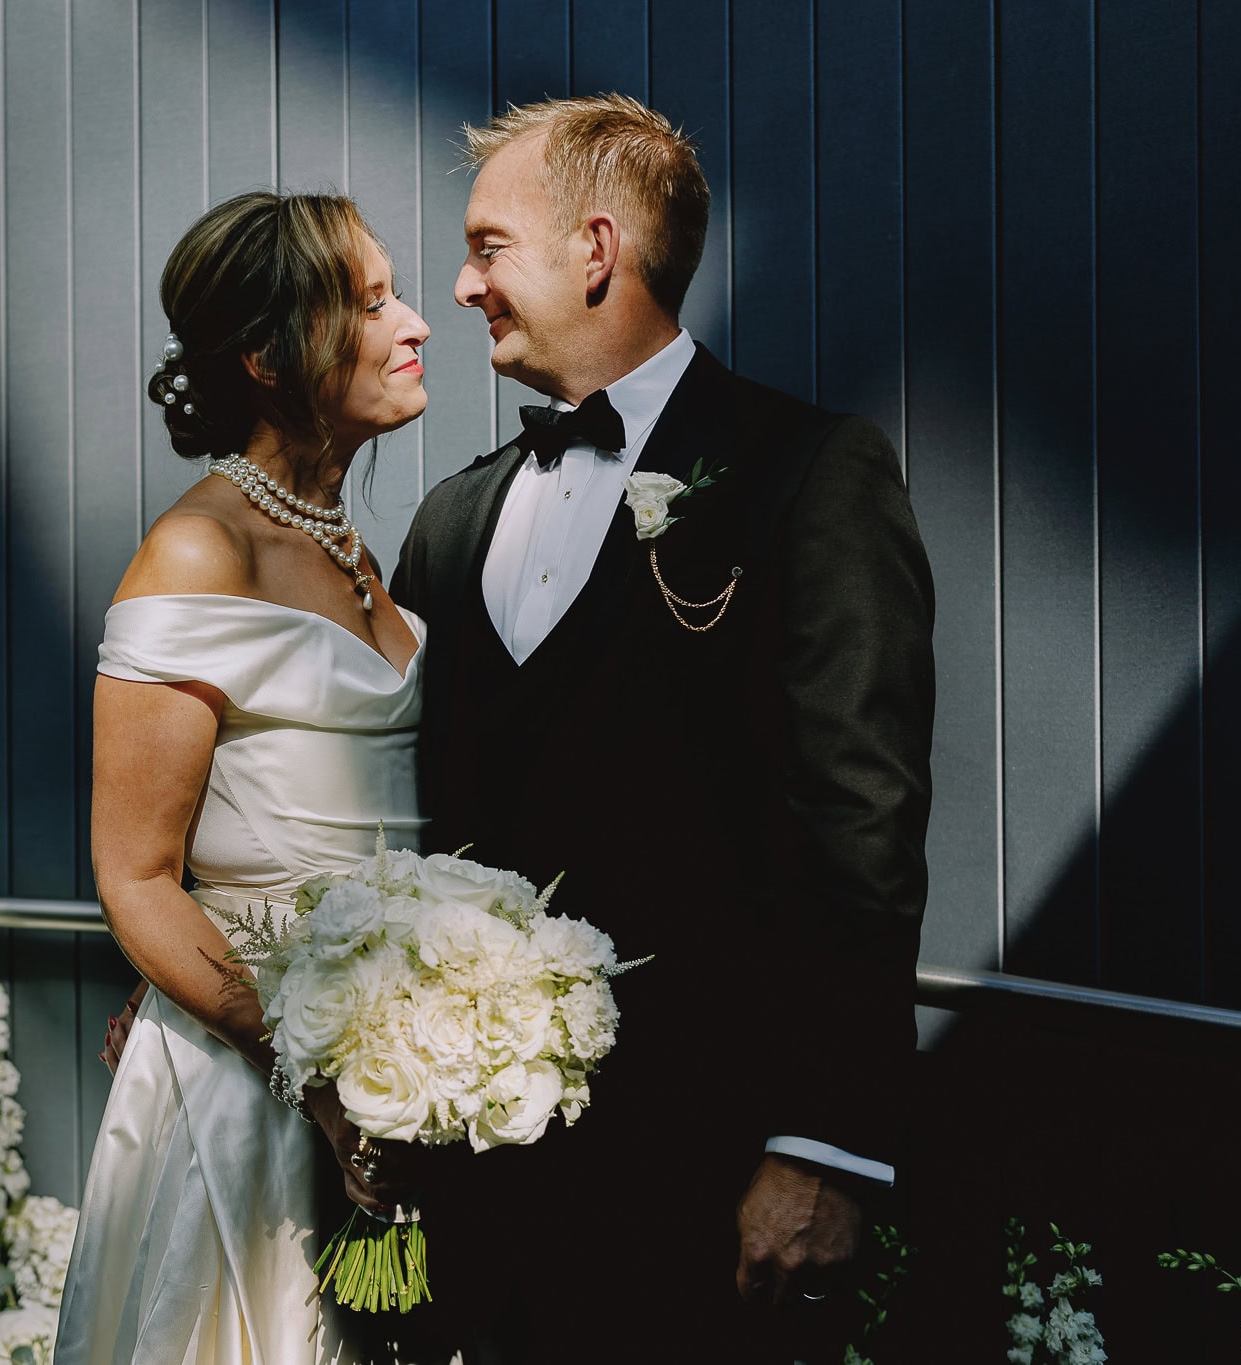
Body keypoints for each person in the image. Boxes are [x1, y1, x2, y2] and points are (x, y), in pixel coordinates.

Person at [389, 94, 935, 1361]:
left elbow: (857, 823)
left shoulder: (807, 472)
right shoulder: (449, 521)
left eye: (485, 247)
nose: (461, 286)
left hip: (707, 1168)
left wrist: (821, 1145)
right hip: (467, 1173)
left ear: (594, 250)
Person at [55, 190, 450, 1365]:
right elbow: (136, 878)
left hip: (391, 1070)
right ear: (269, 357)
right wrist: (313, 1075)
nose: (415, 323)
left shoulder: (350, 542)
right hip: (252, 1089)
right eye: (371, 303)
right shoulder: (197, 551)